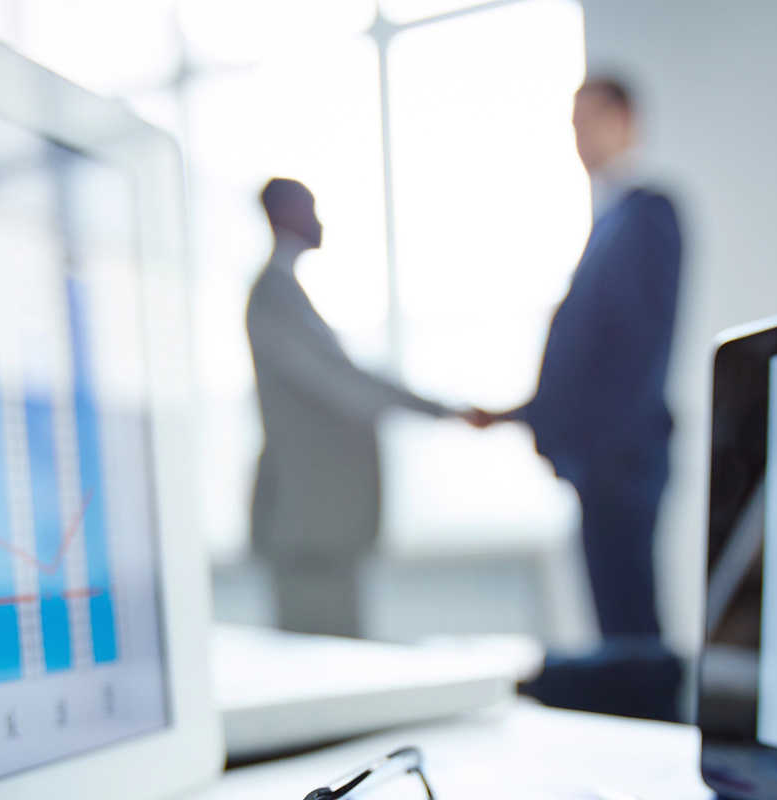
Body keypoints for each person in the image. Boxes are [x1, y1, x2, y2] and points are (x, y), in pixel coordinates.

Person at [471, 77, 684, 720]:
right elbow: (582, 363)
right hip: (603, 467)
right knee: (617, 633)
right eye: (572, 124)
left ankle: (658, 755)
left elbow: (636, 352)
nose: (579, 137)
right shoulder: (608, 224)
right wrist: (516, 414)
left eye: (589, 120)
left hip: (622, 466)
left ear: (627, 120)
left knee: (631, 644)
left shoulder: (648, 214)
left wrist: (600, 455)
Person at [247, 178, 460, 638]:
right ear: (285, 214)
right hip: (307, 522)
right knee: (317, 658)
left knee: (337, 651)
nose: (319, 221)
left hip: (325, 525)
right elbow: (338, 383)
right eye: (311, 209)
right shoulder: (273, 296)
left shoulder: (289, 296)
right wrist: (440, 410)